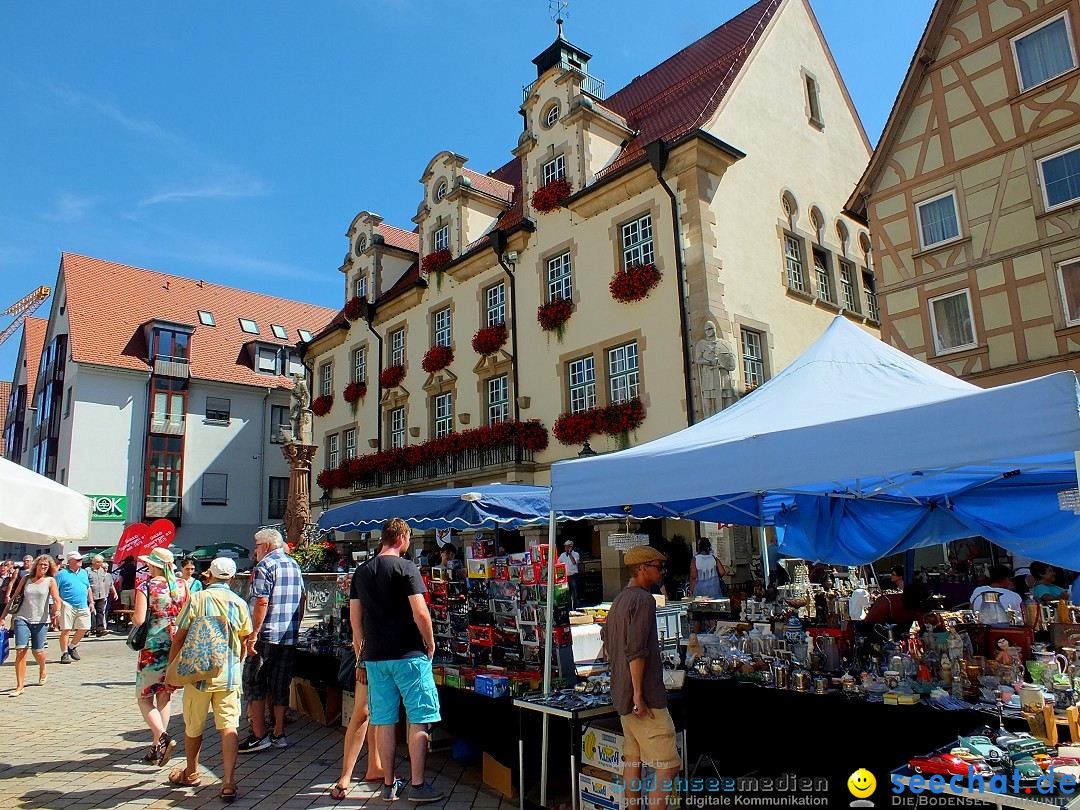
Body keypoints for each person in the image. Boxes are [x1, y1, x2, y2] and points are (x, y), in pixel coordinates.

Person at [352, 518, 443, 803]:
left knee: (385, 720)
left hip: (377, 657)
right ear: (402, 538)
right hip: (408, 654)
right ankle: (418, 785)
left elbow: (356, 621)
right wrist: (430, 642)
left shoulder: (362, 571)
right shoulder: (406, 568)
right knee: (419, 718)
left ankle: (388, 784)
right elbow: (421, 613)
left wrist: (361, 657)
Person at [601, 546, 681, 810]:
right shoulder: (644, 600)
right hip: (644, 698)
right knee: (668, 766)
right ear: (643, 568)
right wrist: (638, 693)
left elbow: (609, 645)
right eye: (659, 567)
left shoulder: (619, 600)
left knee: (632, 759)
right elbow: (636, 650)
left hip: (622, 694)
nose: (662, 573)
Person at [167, 557, 252, 802]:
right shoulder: (239, 603)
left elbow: (179, 637)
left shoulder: (197, 599)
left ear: (210, 576)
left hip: (198, 674)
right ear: (232, 579)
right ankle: (228, 781)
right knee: (229, 726)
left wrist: (172, 671)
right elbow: (244, 641)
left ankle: (192, 772)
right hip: (228, 675)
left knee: (193, 726)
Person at [239, 528, 306, 753]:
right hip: (288, 635)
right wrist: (296, 624)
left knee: (254, 683)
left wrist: (253, 633)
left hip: (266, 635)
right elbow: (302, 599)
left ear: (266, 546)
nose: (255, 550)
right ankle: (279, 733)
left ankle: (259, 735)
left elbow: (261, 602)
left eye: (256, 545)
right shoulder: (293, 565)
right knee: (280, 684)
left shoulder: (265, 566)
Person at [329, 558, 386, 801]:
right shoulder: (365, 576)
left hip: (383, 653)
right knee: (363, 711)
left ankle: (374, 765)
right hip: (372, 654)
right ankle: (346, 775)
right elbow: (355, 623)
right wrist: (361, 660)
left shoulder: (367, 575)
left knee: (375, 712)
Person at [133, 547, 189, 768]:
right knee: (164, 696)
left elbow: (138, 619)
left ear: (153, 565)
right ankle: (157, 747)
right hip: (176, 644)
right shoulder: (183, 585)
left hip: (153, 646)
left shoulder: (146, 586)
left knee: (144, 697)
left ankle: (162, 736)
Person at [10, 555, 61, 696]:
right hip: (22, 617)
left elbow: (57, 599)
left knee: (37, 651)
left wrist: (56, 611)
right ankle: (19, 686)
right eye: (41, 564)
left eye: (46, 565)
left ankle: (42, 667)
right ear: (36, 565)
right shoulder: (26, 579)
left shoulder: (50, 581)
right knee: (21, 650)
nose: (43, 567)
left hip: (41, 620)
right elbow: (14, 597)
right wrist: (3, 617)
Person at [56, 551, 93, 663]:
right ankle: (64, 653)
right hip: (67, 604)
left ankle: (72, 647)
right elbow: (54, 589)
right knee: (66, 629)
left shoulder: (83, 572)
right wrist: (60, 602)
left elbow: (88, 587)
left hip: (83, 604)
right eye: (77, 560)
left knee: (84, 627)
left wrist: (91, 602)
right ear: (70, 561)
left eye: (80, 560)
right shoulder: (62, 574)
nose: (80, 562)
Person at [863, 580, 934, 634]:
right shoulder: (885, 603)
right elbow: (866, 629)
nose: (918, 613)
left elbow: (925, 630)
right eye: (917, 610)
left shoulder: (919, 607)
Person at [88, 554, 118, 637]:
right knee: (90, 613)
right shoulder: (87, 571)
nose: (101, 564)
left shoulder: (102, 571)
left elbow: (106, 583)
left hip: (101, 595)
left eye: (101, 562)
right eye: (99, 562)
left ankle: (100, 629)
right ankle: (89, 628)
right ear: (94, 562)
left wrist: (109, 594)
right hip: (91, 595)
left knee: (100, 612)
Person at [558, 540, 581, 609]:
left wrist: (570, 554)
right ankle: (569, 607)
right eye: (565, 547)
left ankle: (576, 607)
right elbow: (558, 562)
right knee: (567, 593)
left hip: (573, 576)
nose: (566, 548)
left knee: (575, 592)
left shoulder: (576, 554)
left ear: (571, 547)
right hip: (566, 576)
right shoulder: (562, 555)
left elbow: (574, 562)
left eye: (568, 547)